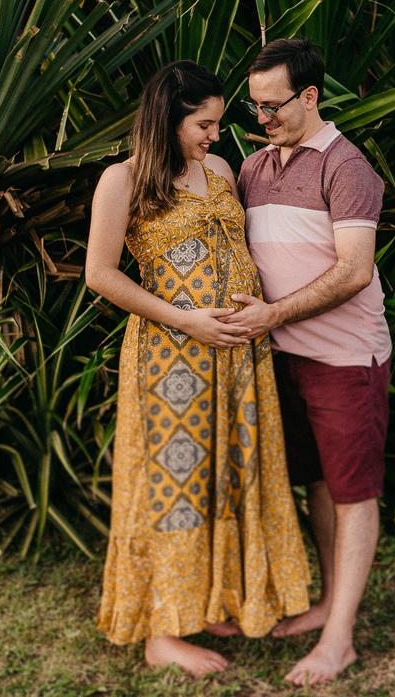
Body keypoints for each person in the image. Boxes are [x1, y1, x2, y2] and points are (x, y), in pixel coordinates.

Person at [87, 61, 310, 677]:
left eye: (217, 123)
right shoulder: (124, 180)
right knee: (174, 488)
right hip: (171, 361)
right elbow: (100, 274)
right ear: (169, 117)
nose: (217, 136)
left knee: (230, 474)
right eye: (204, 124)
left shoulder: (218, 171)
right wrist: (187, 321)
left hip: (238, 355)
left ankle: (211, 597)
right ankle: (163, 631)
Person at [225, 39, 392, 686]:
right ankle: (326, 602)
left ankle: (340, 638)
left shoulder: (347, 167)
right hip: (280, 359)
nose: (261, 118)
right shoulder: (255, 165)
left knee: (353, 493)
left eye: (273, 106)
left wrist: (271, 315)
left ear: (311, 95)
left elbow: (353, 272)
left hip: (345, 358)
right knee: (318, 483)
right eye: (254, 105)